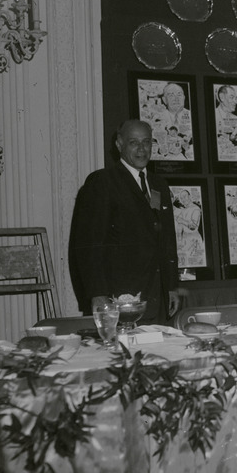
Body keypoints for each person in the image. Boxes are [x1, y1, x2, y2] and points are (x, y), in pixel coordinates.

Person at [69, 119, 181, 324]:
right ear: (119, 145)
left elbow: (167, 240)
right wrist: (98, 293)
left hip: (158, 299)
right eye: (133, 142)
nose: (141, 149)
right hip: (120, 300)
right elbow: (89, 245)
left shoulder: (159, 184)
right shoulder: (102, 182)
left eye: (146, 142)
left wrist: (172, 286)